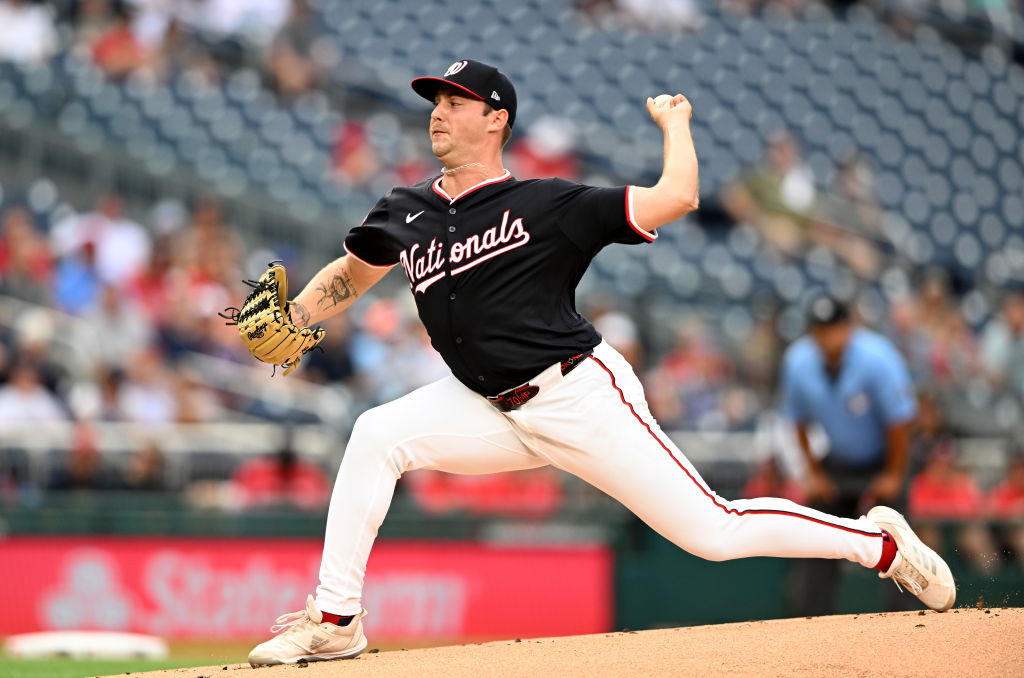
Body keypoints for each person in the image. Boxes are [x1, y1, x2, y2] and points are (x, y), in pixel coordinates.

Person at [245, 59, 954, 666]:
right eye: (435, 101)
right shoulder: (406, 209)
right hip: (486, 405)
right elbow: (353, 273)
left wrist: (676, 125)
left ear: (496, 119)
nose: (438, 112)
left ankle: (880, 544)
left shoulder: (545, 204)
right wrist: (297, 315)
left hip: (577, 395)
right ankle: (336, 621)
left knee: (714, 531)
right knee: (375, 433)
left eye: (456, 102)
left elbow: (677, 197)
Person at [780, 295, 919, 615]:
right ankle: (809, 621)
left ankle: (911, 620)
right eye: (821, 329)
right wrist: (814, 473)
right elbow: (797, 420)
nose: (828, 336)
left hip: (884, 458)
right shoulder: (798, 361)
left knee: (900, 542)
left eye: (834, 327)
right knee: (816, 538)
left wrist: (893, 474)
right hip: (839, 461)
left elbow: (900, 421)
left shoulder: (878, 356)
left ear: (848, 327)